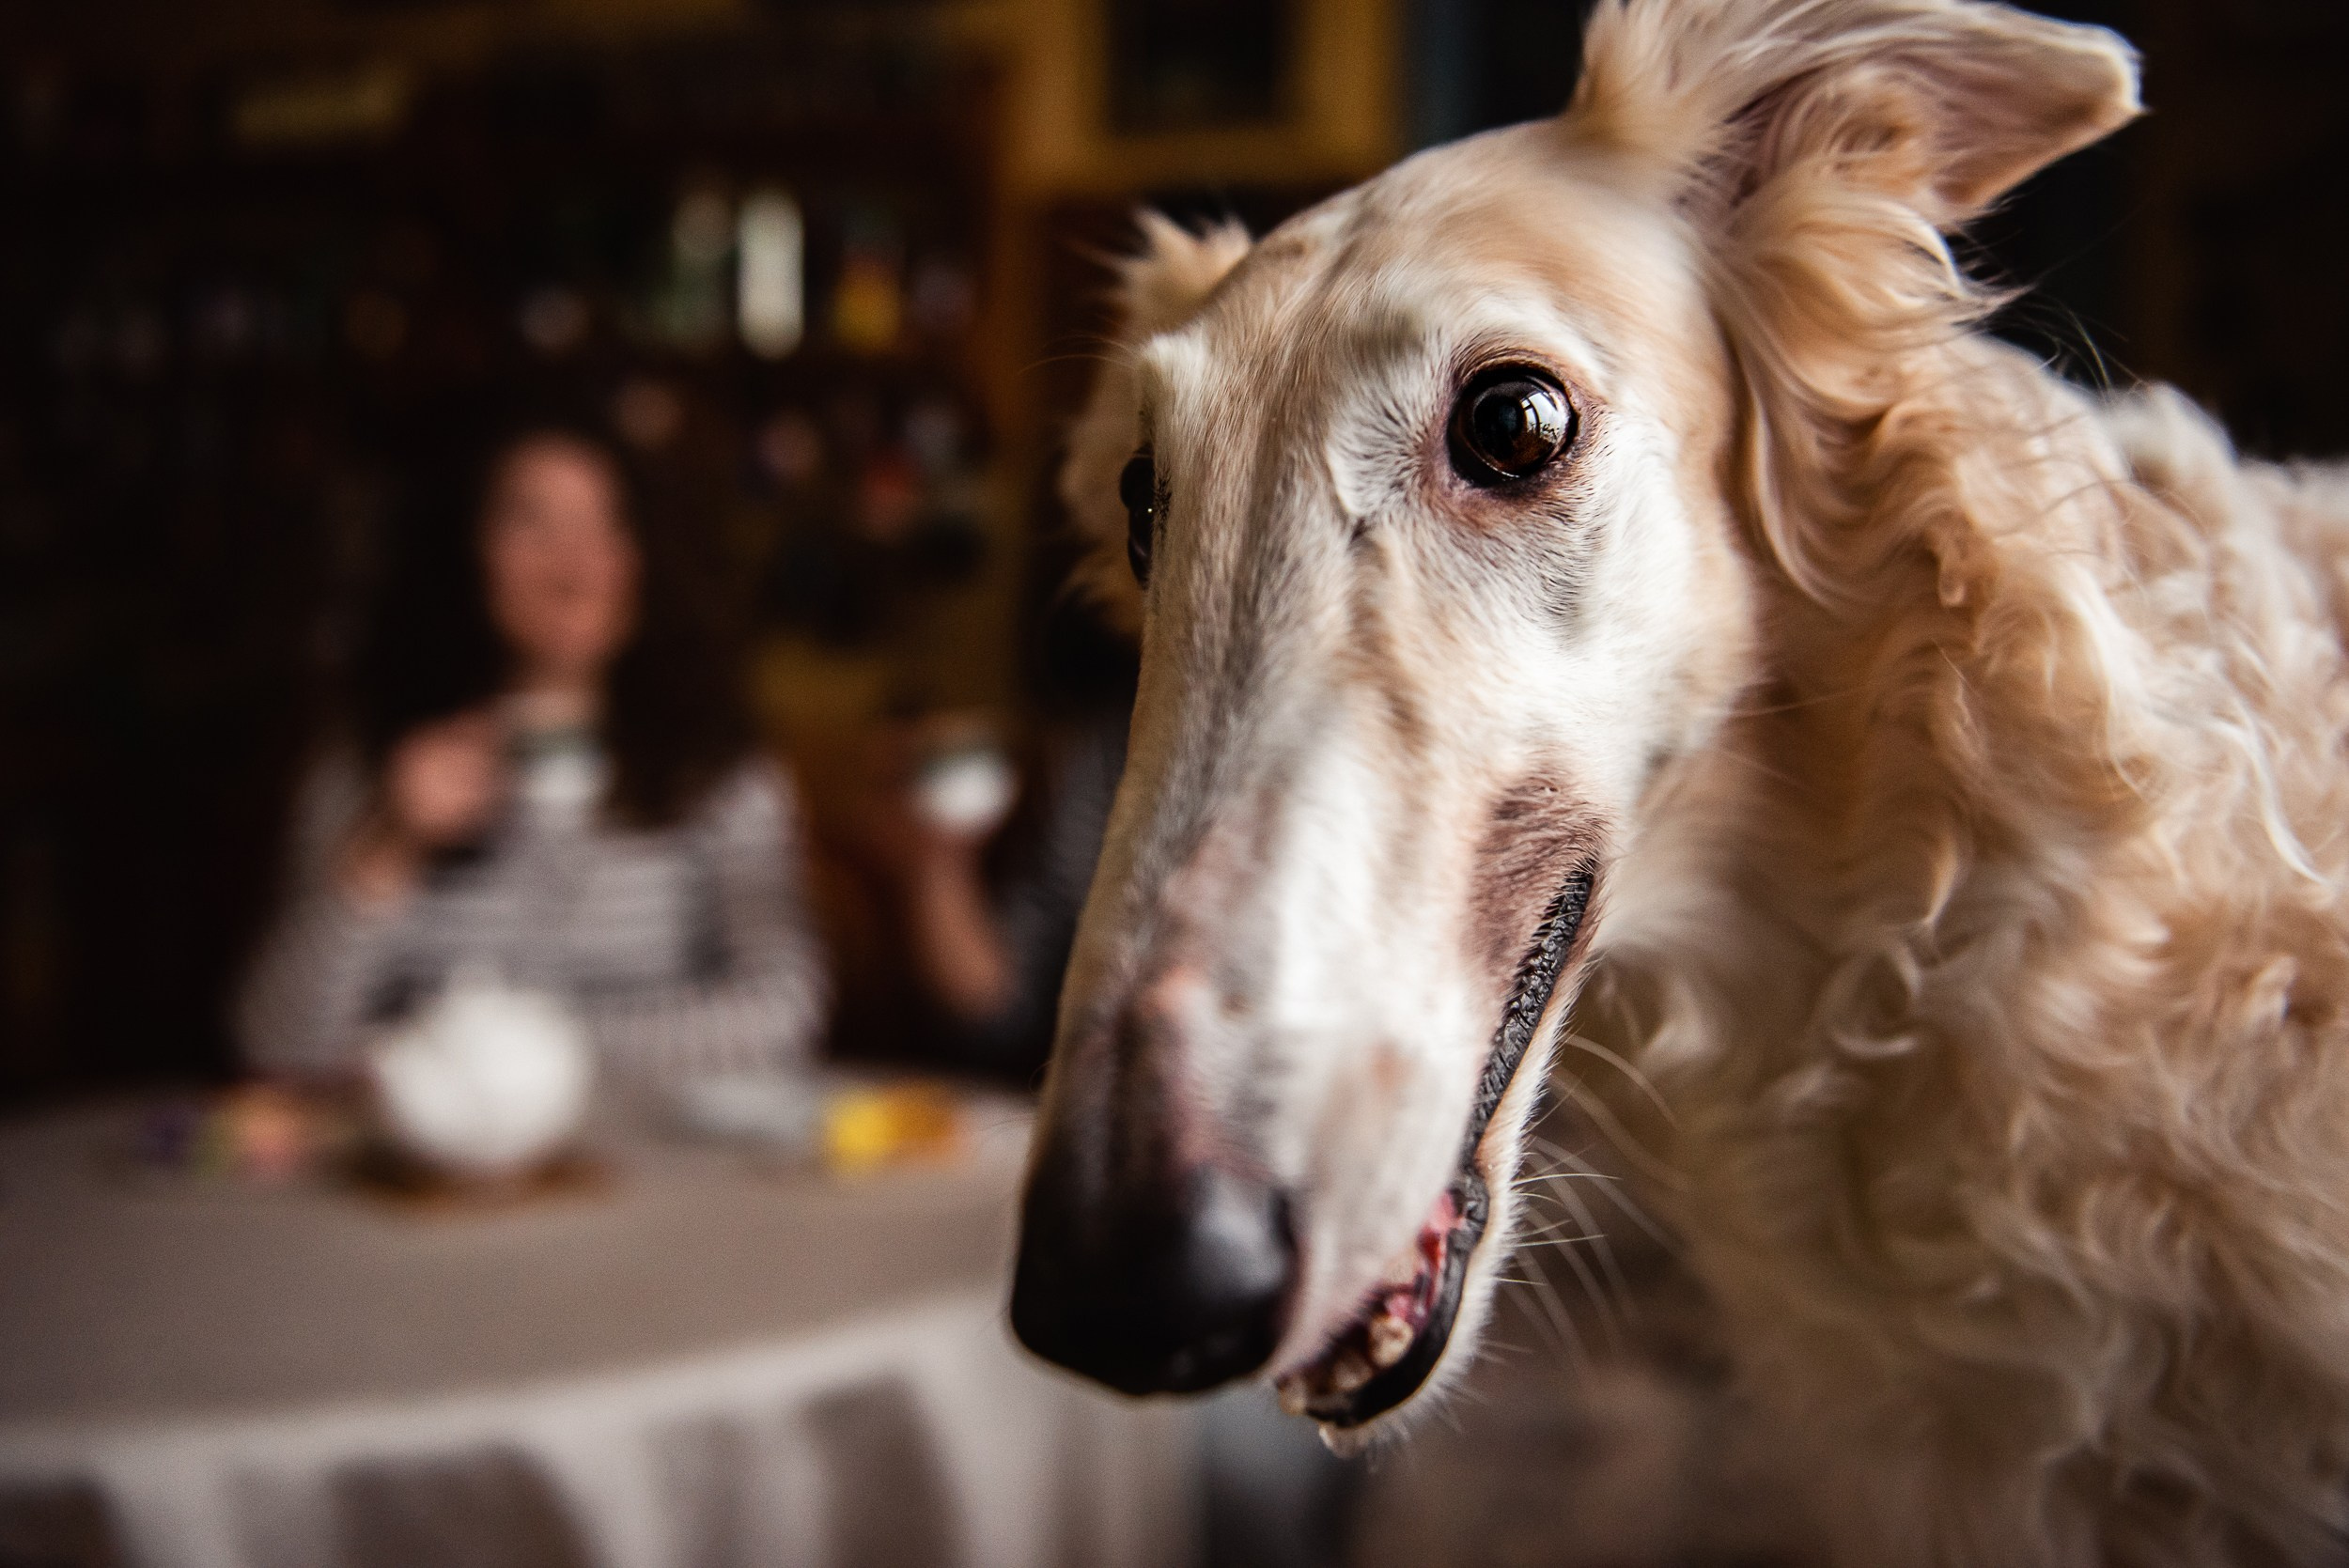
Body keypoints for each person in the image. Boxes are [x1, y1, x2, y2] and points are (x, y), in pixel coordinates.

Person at [239, 420, 827, 1085]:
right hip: (435, 1175)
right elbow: (277, 1043)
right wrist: (389, 847)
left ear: (644, 560)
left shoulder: (718, 766)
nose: (573, 566)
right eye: (531, 525)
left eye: (605, 526)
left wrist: (488, 1054)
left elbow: (784, 1012)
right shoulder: (371, 756)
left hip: (657, 1169)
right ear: (464, 552)